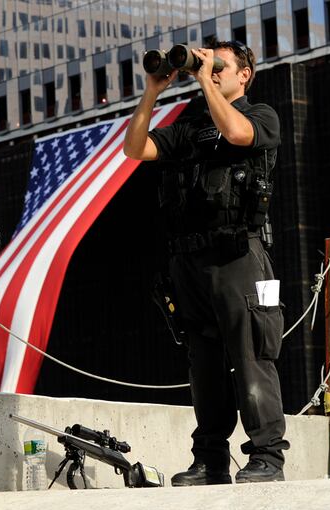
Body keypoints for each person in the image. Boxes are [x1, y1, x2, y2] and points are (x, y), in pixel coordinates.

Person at [123, 42, 290, 484]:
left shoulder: (260, 116)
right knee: (205, 364)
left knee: (252, 354)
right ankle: (211, 459)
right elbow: (135, 149)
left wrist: (203, 80)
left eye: (221, 66)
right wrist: (152, 92)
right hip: (190, 262)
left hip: (240, 257)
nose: (212, 72)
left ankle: (267, 457)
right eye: (208, 65)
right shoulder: (190, 128)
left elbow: (237, 135)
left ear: (245, 75)